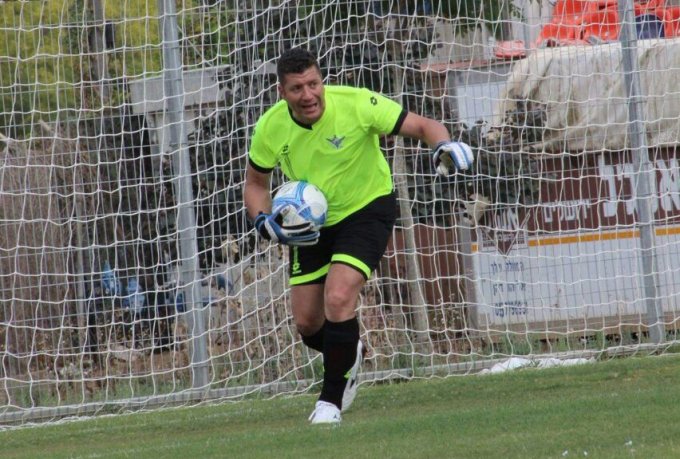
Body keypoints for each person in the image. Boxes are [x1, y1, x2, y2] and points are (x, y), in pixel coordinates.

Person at [244, 47, 473, 424]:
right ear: (281, 92)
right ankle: (350, 349)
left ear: (322, 81)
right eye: (298, 88)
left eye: (314, 84)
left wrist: (443, 146)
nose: (308, 94)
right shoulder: (270, 127)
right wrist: (262, 220)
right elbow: (255, 184)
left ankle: (330, 403)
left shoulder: (355, 103)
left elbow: (422, 125)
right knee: (307, 323)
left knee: (338, 296)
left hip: (366, 209)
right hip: (310, 224)